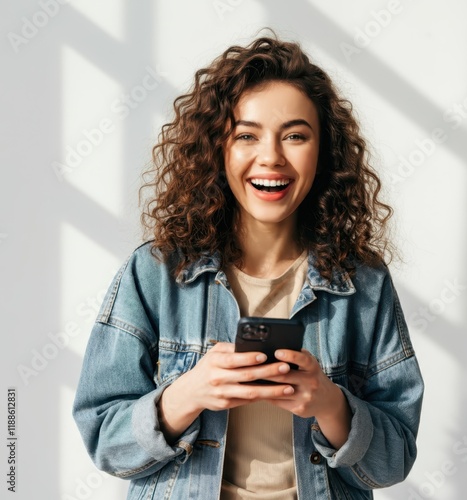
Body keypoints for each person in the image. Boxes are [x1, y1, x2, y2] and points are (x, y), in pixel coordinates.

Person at [73, 34, 424, 500]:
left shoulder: (363, 281)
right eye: (246, 135)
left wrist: (330, 404)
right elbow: (103, 440)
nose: (272, 157)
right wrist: (187, 394)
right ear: (217, 149)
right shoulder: (155, 272)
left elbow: (395, 459)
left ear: (324, 153)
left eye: (295, 135)